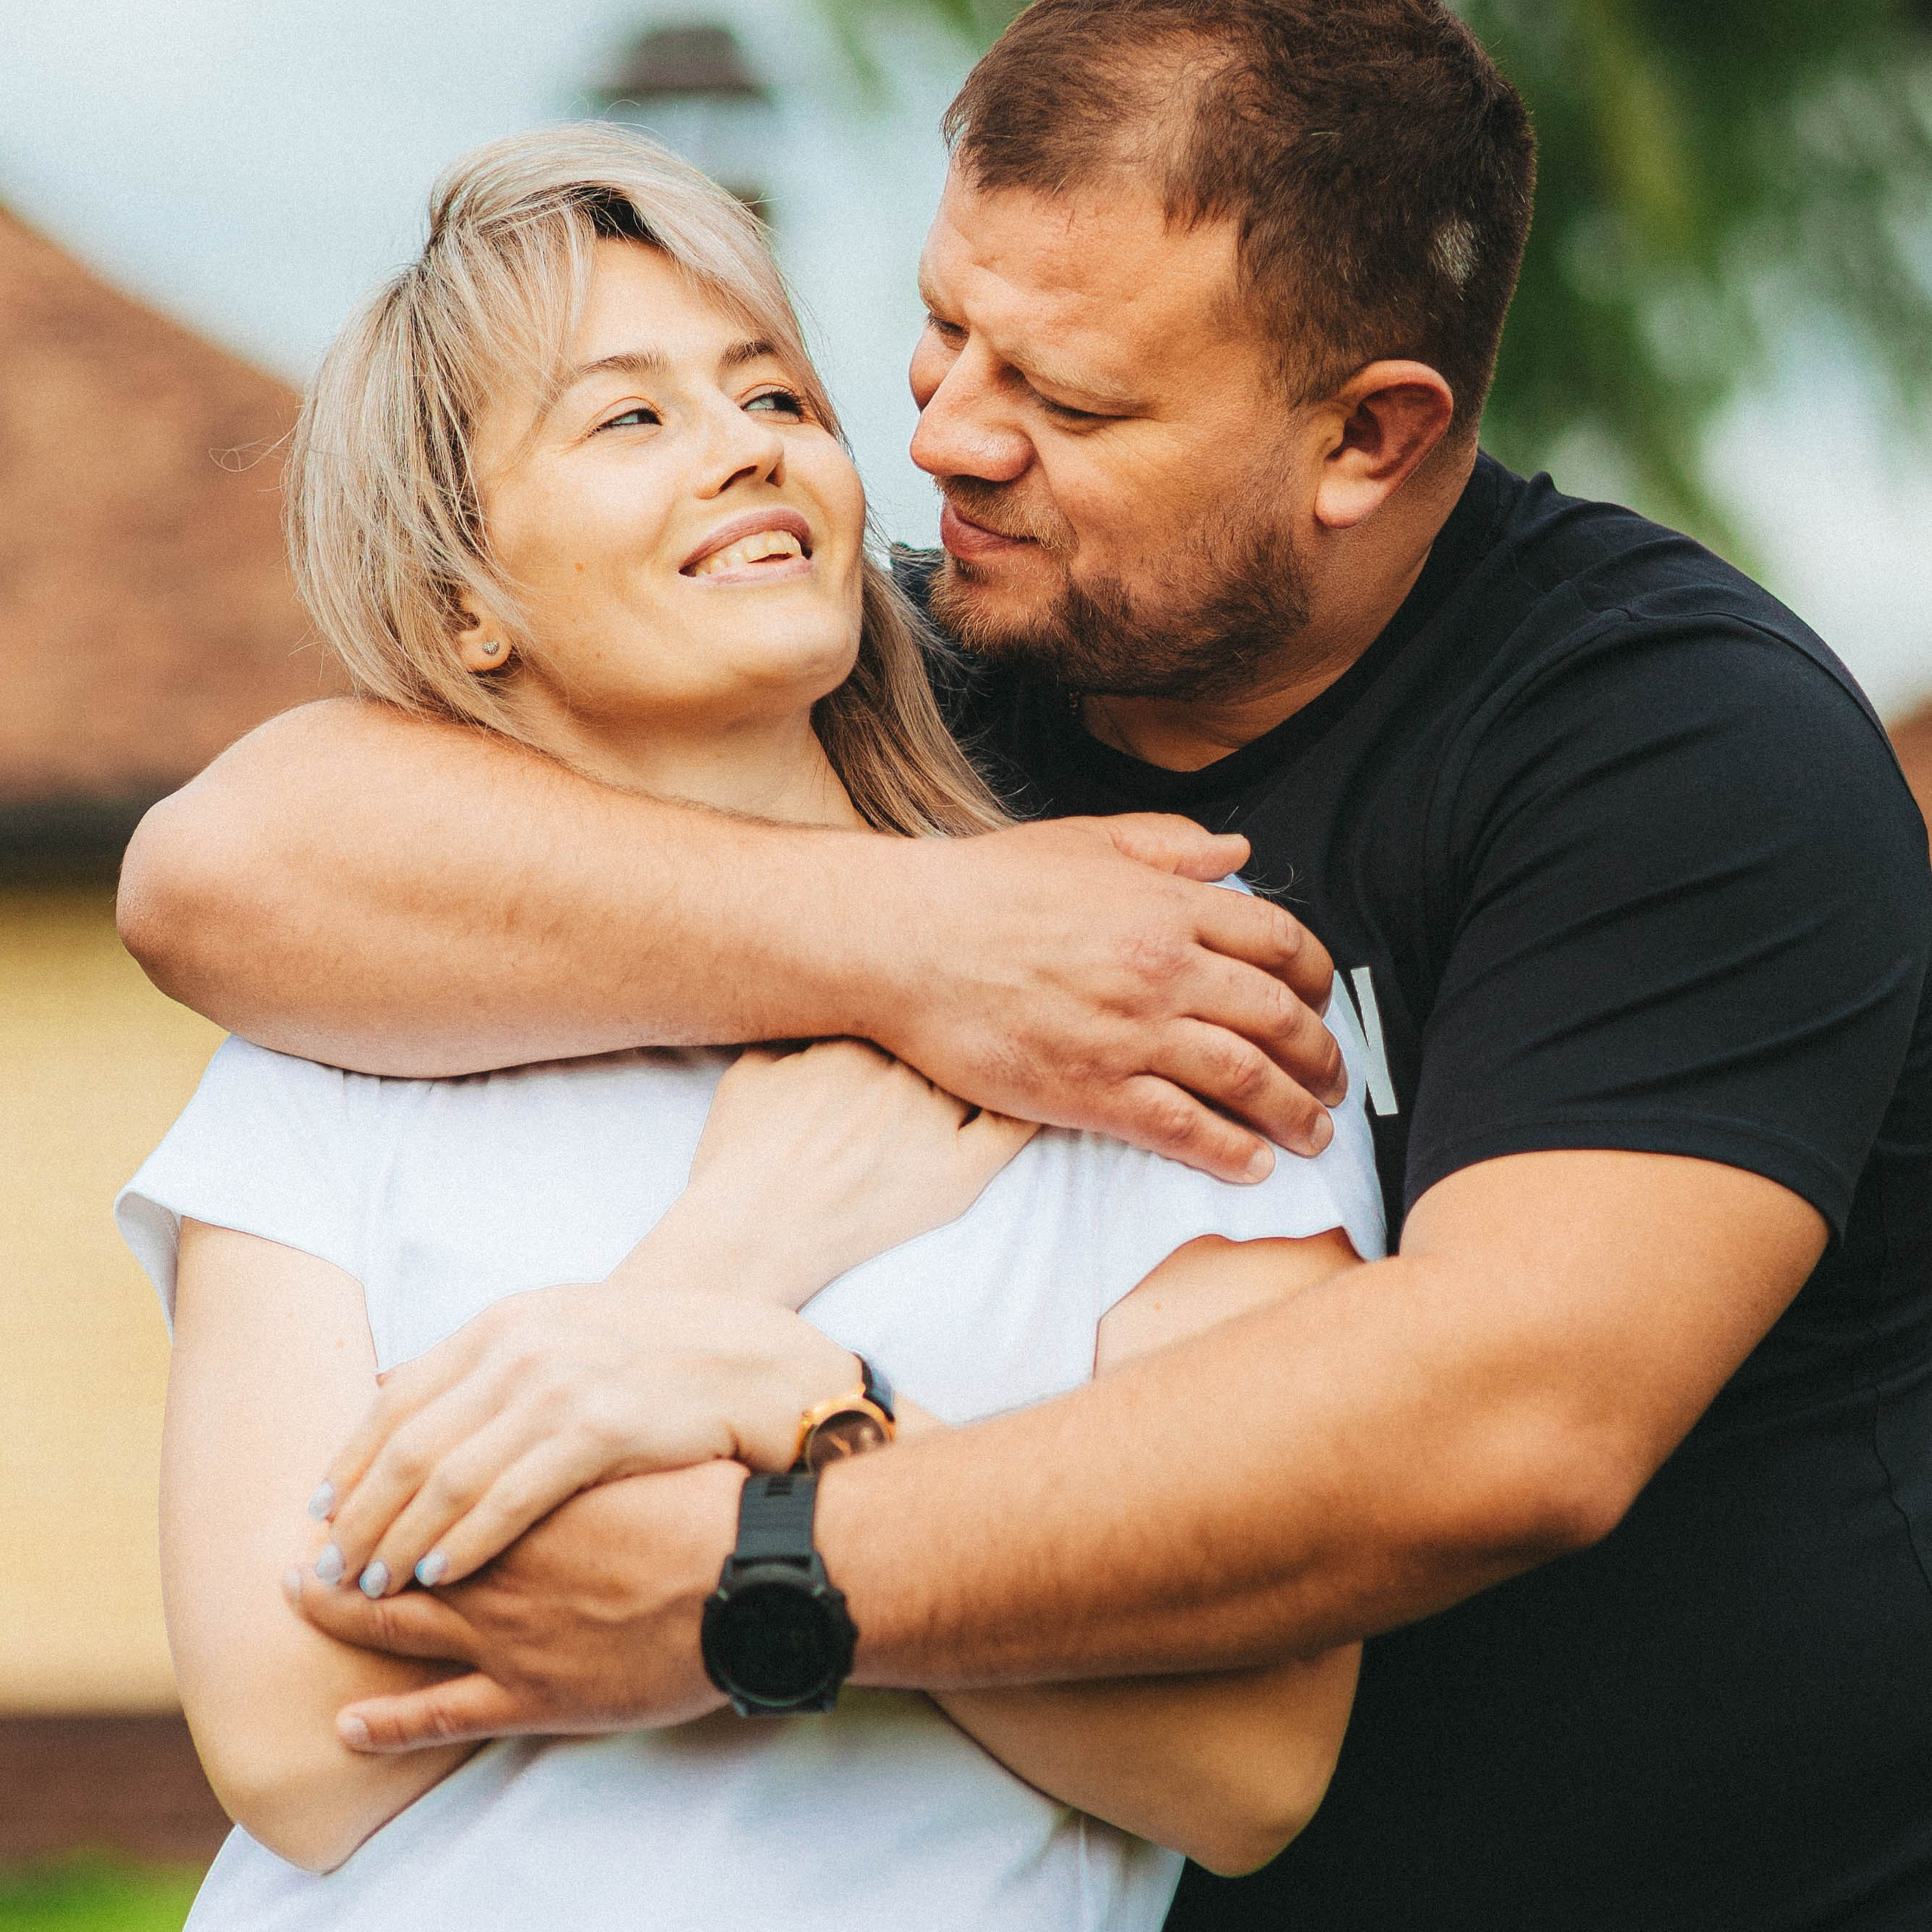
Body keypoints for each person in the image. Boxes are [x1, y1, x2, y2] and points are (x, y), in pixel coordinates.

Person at [122, 2, 1932, 1927]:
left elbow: (1507, 1419)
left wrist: (768, 1541)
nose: (942, 435)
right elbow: (219, 863)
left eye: (1065, 400)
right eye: (934, 327)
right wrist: (924, 938)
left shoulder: (1665, 747)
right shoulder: (944, 689)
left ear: (1366, 434)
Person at [116, 130, 1386, 1928]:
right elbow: (303, 1742)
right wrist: (713, 1279)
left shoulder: (1152, 991)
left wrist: (806, 1412)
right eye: (626, 418)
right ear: (463, 594)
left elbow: (1242, 1761)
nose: (743, 444)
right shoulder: (328, 1050)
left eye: (771, 388)